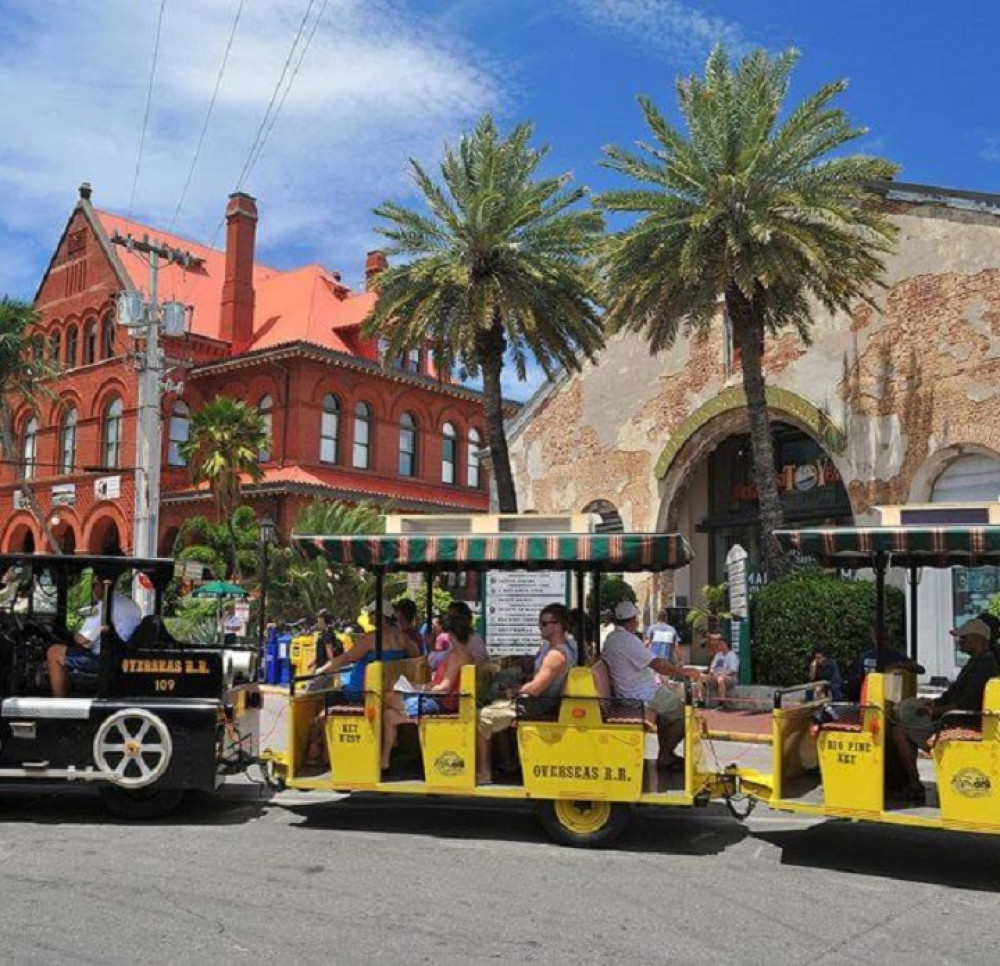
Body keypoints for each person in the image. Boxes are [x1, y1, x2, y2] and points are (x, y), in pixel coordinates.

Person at [891, 618, 999, 803]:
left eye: (963, 639)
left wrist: (934, 712)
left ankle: (914, 785)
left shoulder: (983, 667)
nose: (959, 642)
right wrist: (934, 703)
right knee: (907, 713)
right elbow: (954, 694)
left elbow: (966, 704)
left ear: (977, 639)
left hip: (962, 721)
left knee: (899, 730)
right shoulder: (977, 662)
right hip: (956, 717)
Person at [476, 603, 574, 785]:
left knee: (482, 716)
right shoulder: (561, 649)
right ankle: (508, 762)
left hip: (539, 704)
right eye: (540, 623)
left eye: (545, 624)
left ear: (559, 626)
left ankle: (484, 774)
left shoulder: (555, 655)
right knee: (495, 708)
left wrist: (512, 690)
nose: (540, 628)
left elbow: (536, 689)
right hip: (544, 701)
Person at [602, 600, 693, 771]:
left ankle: (666, 753)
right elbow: (658, 665)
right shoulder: (627, 641)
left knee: (669, 709)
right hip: (641, 695)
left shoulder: (613, 639)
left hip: (637, 690)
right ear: (632, 620)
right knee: (682, 712)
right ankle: (666, 755)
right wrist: (686, 672)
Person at [380, 612, 475, 775]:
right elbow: (439, 682)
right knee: (389, 715)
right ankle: (385, 763)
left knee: (387, 695)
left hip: (440, 703)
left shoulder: (455, 656)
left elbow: (444, 687)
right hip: (442, 700)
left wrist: (422, 690)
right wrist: (421, 686)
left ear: (451, 635)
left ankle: (408, 731)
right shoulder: (467, 654)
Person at [47, 579, 141, 698]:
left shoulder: (105, 605)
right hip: (123, 656)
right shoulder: (131, 604)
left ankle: (58, 703)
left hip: (105, 660)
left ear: (104, 585)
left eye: (94, 585)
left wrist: (73, 635)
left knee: (54, 652)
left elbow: (83, 639)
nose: (93, 589)